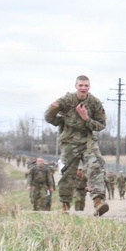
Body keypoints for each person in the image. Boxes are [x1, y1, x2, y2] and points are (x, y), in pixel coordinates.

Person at [44, 75, 109, 216]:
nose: (83, 88)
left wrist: (86, 118)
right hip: (69, 142)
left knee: (95, 168)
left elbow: (101, 125)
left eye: (86, 85)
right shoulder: (66, 100)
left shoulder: (94, 103)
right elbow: (48, 115)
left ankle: (98, 203)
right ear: (76, 86)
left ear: (89, 87)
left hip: (88, 142)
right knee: (67, 173)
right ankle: (65, 205)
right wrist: (61, 122)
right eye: (81, 85)